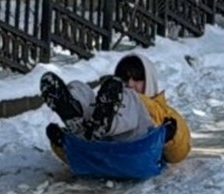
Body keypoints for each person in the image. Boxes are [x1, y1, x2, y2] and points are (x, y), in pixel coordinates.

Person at [40, 52, 191, 166]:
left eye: (137, 78)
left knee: (130, 98)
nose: (130, 84)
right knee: (83, 89)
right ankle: (76, 110)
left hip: (137, 145)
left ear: (149, 80)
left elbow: (180, 151)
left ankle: (107, 123)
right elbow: (81, 159)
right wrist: (62, 142)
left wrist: (169, 135)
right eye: (124, 79)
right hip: (101, 148)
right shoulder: (108, 101)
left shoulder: (161, 111)